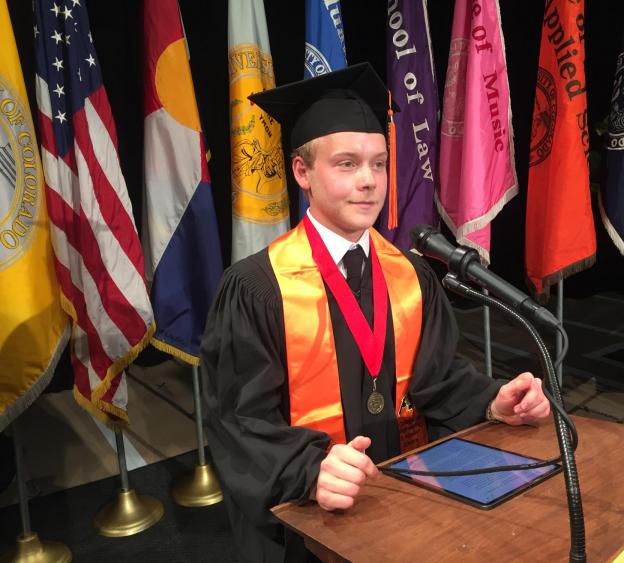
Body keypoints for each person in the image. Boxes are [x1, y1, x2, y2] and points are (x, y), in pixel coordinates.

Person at [200, 63, 551, 563]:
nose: (368, 181)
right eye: (346, 164)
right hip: (310, 520)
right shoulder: (257, 288)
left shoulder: (410, 273)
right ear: (302, 172)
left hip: (409, 505)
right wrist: (309, 469)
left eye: (379, 164)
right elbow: (238, 421)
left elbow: (438, 379)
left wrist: (495, 401)